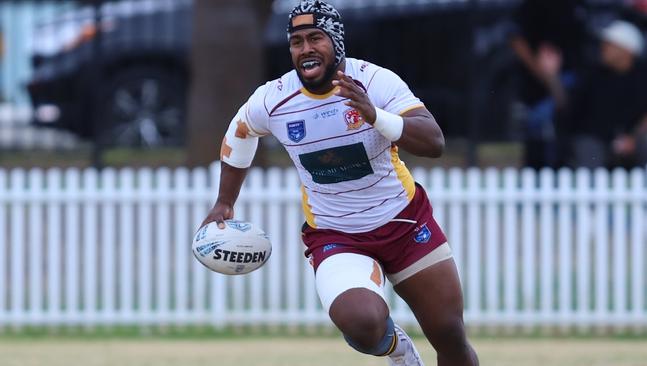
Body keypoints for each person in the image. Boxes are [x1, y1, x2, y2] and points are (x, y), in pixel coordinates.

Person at [200, 1, 478, 365]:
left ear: (337, 42)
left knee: (449, 333)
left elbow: (434, 142)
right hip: (337, 236)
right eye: (297, 42)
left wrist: (376, 116)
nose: (306, 49)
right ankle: (401, 352)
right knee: (362, 324)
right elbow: (240, 132)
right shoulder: (275, 98)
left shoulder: (376, 81)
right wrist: (225, 201)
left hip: (406, 224)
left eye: (316, 38)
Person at [509, 0, 587, 168]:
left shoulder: (577, 6)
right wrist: (541, 71)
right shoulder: (534, 6)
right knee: (539, 131)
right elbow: (516, 39)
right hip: (539, 85)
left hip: (574, 79)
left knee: (568, 128)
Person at [569, 20, 647, 168]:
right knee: (587, 146)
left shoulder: (645, 77)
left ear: (627, 49)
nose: (603, 48)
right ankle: (590, 188)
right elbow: (572, 114)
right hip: (598, 141)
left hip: (635, 138)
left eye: (610, 44)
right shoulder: (593, 75)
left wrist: (633, 137)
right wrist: (551, 77)